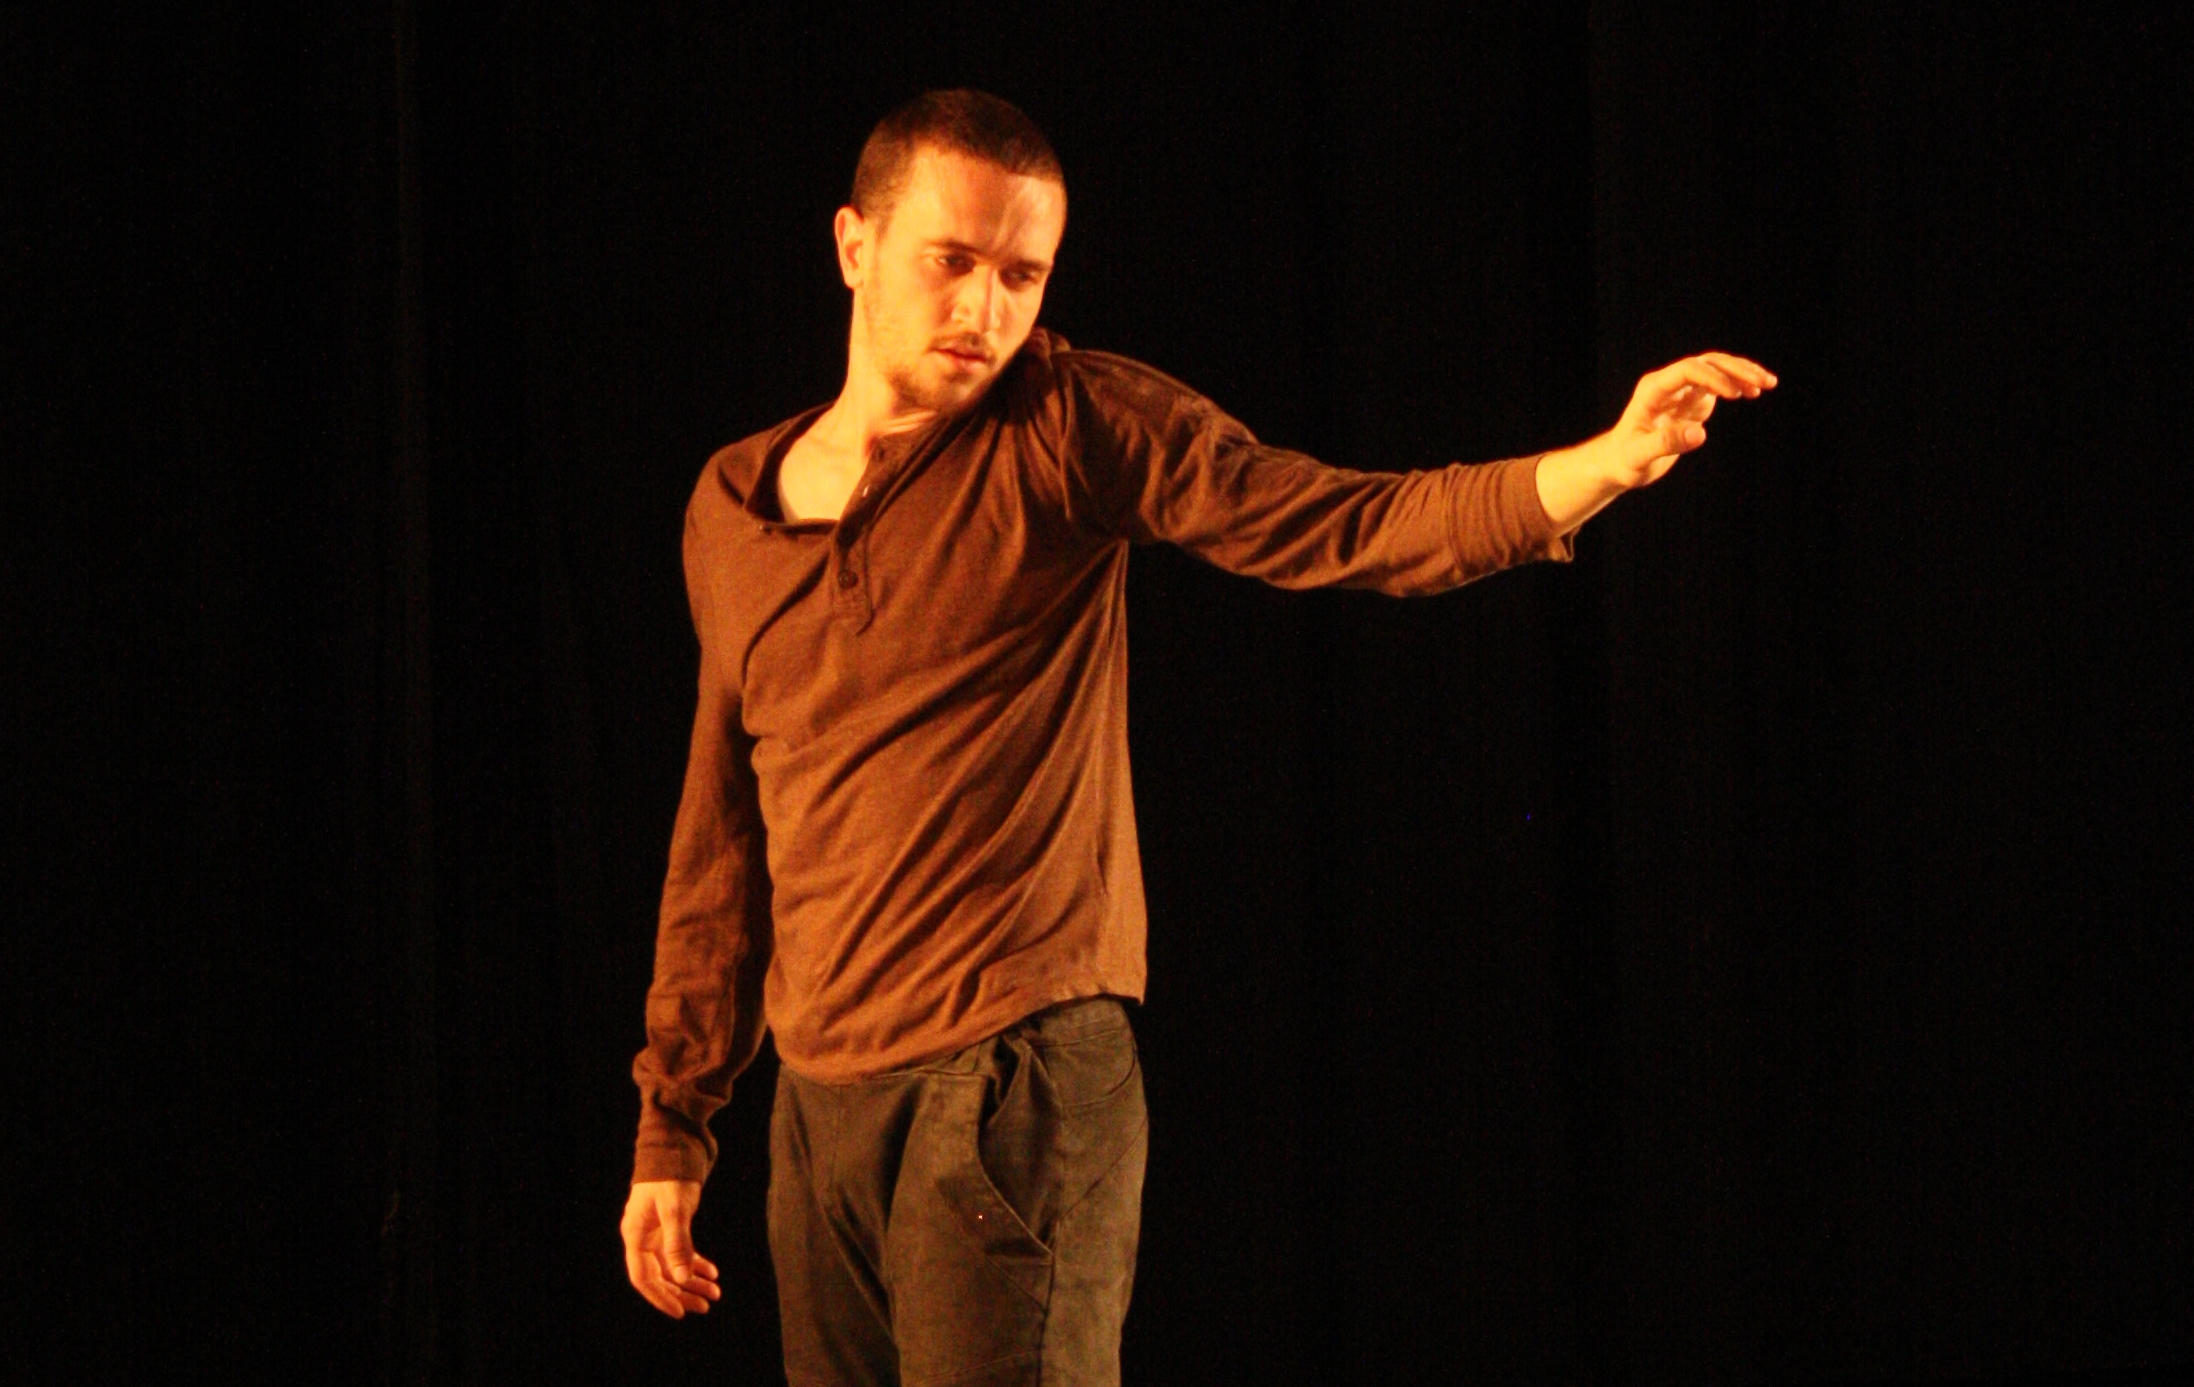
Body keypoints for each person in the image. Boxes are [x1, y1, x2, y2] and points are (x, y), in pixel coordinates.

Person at [618, 88, 1774, 1386]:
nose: (986, 310)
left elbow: (1337, 522)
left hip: (1005, 1076)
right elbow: (723, 827)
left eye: (1021, 275)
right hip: (819, 1103)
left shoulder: (1067, 424)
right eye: (953, 262)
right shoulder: (732, 505)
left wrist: (1601, 464)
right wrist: (675, 1124)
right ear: (854, 245)